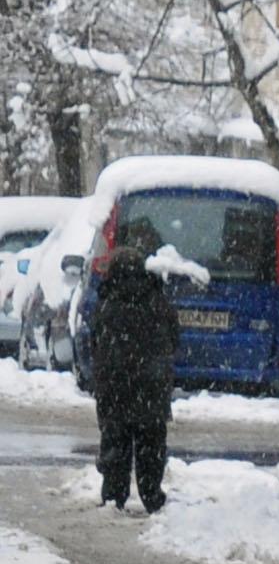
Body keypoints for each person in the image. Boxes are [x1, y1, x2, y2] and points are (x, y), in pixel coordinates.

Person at [91, 220, 182, 515]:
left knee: (116, 442)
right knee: (150, 445)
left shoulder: (106, 306)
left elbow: (95, 345)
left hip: (115, 389)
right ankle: (151, 494)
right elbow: (174, 339)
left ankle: (114, 495)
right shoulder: (158, 301)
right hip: (151, 389)